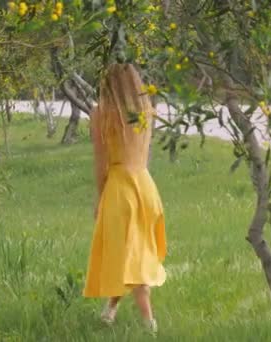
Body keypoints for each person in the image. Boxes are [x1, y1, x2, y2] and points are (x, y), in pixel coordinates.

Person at [83, 63, 167, 334]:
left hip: (121, 189)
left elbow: (100, 161)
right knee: (130, 253)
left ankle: (149, 324)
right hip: (145, 185)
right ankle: (110, 310)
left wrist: (100, 196)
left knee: (133, 259)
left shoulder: (101, 113)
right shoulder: (145, 109)